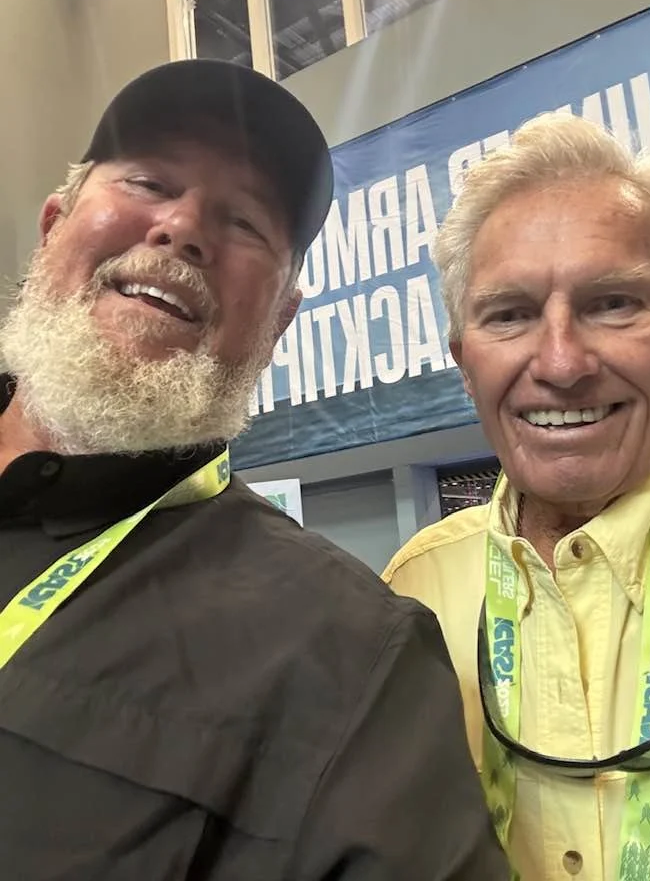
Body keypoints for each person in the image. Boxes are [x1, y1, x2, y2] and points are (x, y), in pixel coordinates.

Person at [0, 59, 508, 880]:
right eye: (148, 179)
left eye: (244, 223)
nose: (183, 227)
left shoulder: (348, 659)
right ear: (54, 224)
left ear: (280, 322)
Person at [384, 113, 650, 880]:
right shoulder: (409, 596)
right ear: (466, 364)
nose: (562, 363)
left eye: (614, 303)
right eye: (511, 315)